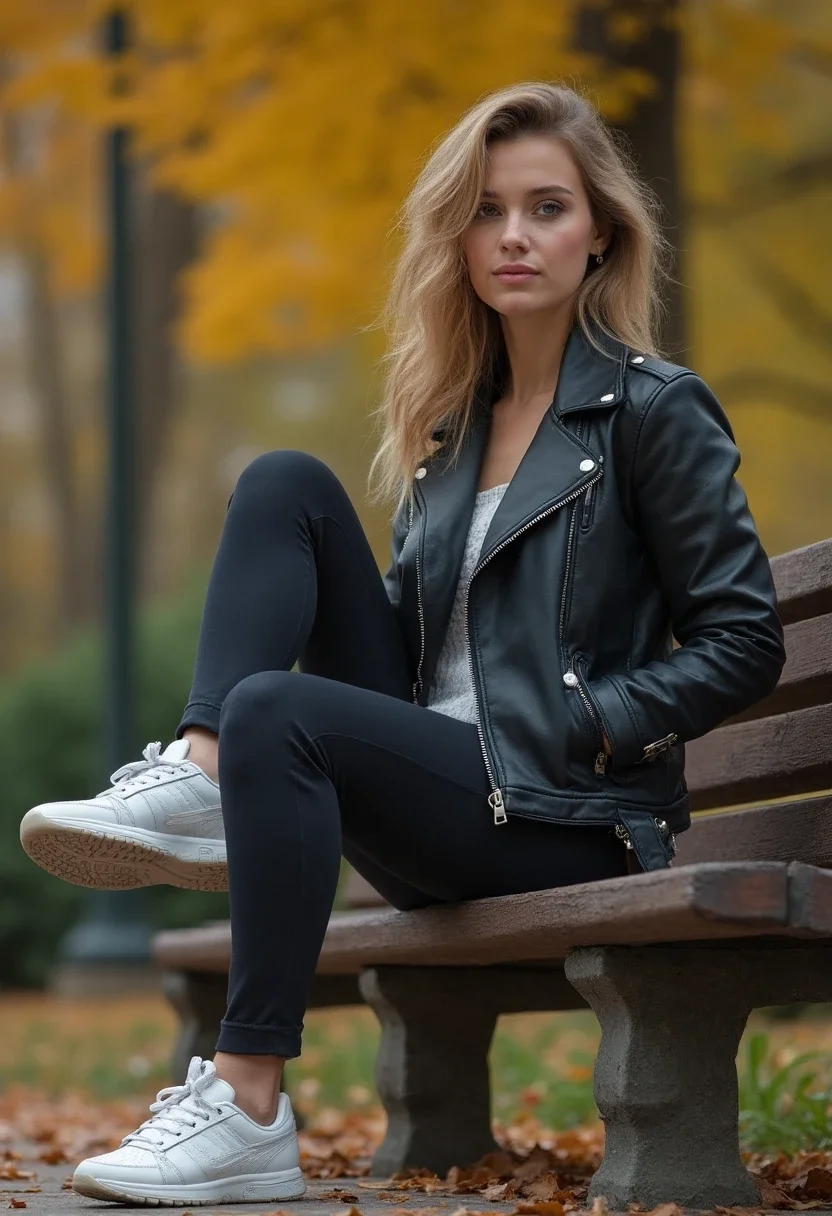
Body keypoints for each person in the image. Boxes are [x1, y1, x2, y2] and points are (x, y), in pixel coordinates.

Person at [20, 81, 786, 1206]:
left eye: (545, 207)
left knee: (274, 709)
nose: (513, 236)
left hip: (564, 814)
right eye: (486, 211)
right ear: (457, 237)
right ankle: (197, 773)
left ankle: (246, 1103)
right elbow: (428, 648)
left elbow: (743, 638)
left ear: (601, 234)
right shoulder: (449, 434)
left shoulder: (652, 412)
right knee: (282, 482)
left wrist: (580, 722)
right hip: (451, 792)